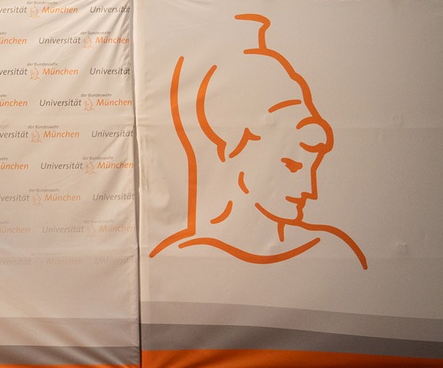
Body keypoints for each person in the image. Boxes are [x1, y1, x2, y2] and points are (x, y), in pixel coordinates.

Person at [150, 14, 367, 269]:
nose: (310, 190)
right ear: (233, 146)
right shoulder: (178, 266)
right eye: (292, 164)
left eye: (312, 164)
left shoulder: (333, 254)